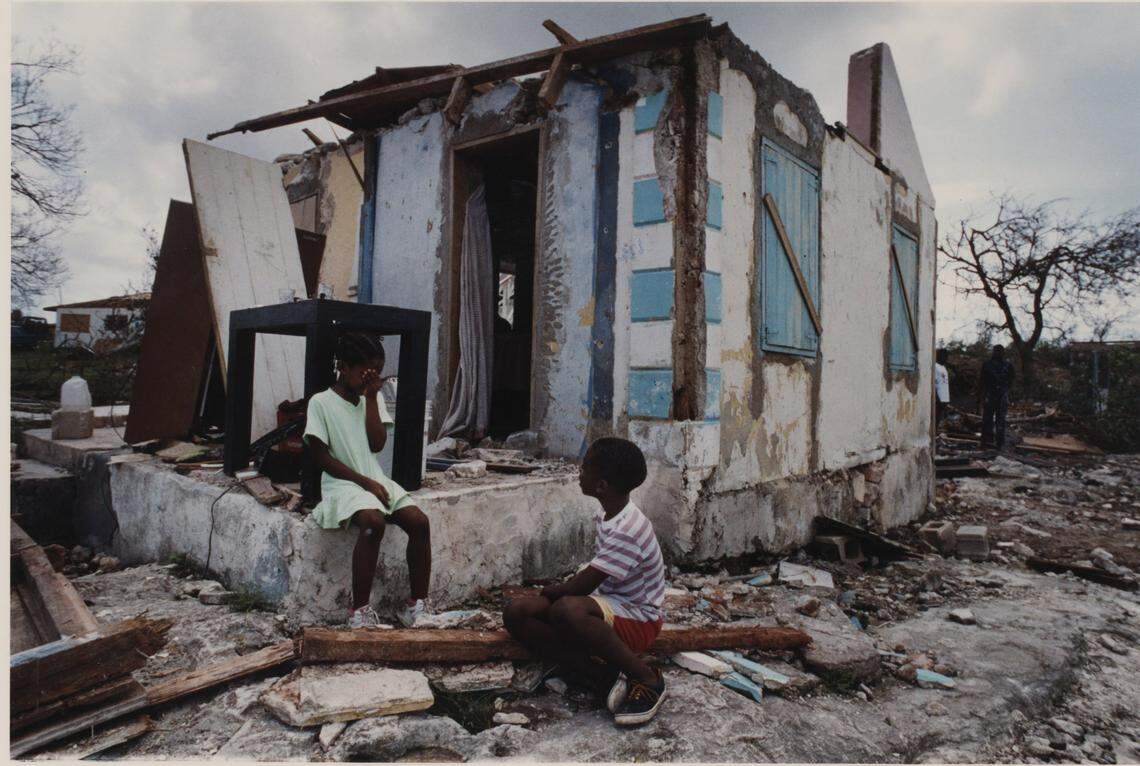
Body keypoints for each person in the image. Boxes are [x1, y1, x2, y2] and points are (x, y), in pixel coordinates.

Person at [503, 437, 667, 727]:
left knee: (567, 609)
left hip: (640, 619)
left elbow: (582, 586)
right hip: (612, 605)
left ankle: (647, 678)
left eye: (584, 467)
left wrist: (549, 592)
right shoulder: (609, 515)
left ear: (602, 485)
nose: (579, 472)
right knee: (516, 613)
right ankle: (600, 675)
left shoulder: (628, 528)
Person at [304, 332, 432, 628]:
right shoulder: (321, 403)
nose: (368, 378)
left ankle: (416, 606)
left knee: (419, 522)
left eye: (375, 372)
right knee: (373, 523)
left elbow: (376, 445)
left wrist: (372, 397)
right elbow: (322, 458)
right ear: (344, 367)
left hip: (372, 478)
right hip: (343, 483)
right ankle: (359, 611)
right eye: (364, 372)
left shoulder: (368, 399)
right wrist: (365, 484)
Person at [979, 344, 1015, 449]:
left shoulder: (1008, 365)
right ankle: (986, 443)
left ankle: (999, 443)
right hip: (990, 395)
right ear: (993, 352)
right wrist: (981, 396)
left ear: (1003, 353)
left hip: (1002, 396)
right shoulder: (987, 364)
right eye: (996, 351)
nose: (997, 353)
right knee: (987, 419)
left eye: (999, 351)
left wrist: (1007, 393)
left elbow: (1011, 380)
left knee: (1001, 420)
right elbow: (982, 381)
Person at [934, 349, 951, 428]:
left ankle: (936, 435)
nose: (946, 358)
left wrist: (946, 400)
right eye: (944, 356)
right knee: (935, 419)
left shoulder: (944, 367)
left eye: (947, 356)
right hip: (938, 398)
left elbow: (944, 384)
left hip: (944, 398)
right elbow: (934, 384)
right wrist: (937, 398)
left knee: (939, 419)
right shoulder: (935, 366)